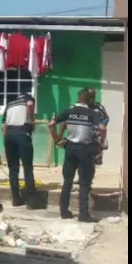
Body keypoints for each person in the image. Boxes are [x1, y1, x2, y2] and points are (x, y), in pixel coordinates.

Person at [49, 89, 106, 222]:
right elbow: (103, 128)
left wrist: (57, 139)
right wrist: (100, 144)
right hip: (85, 150)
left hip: (70, 149)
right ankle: (83, 214)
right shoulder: (92, 113)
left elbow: (51, 124)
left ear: (78, 98)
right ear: (90, 100)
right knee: (84, 183)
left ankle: (63, 211)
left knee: (67, 181)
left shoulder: (69, 111)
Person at [1, 93, 37, 206]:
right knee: (27, 165)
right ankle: (30, 198)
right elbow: (30, 104)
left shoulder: (10, 104)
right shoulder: (28, 100)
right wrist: (31, 120)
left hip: (9, 135)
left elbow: (3, 126)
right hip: (21, 133)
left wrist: (5, 142)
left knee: (13, 168)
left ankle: (15, 198)